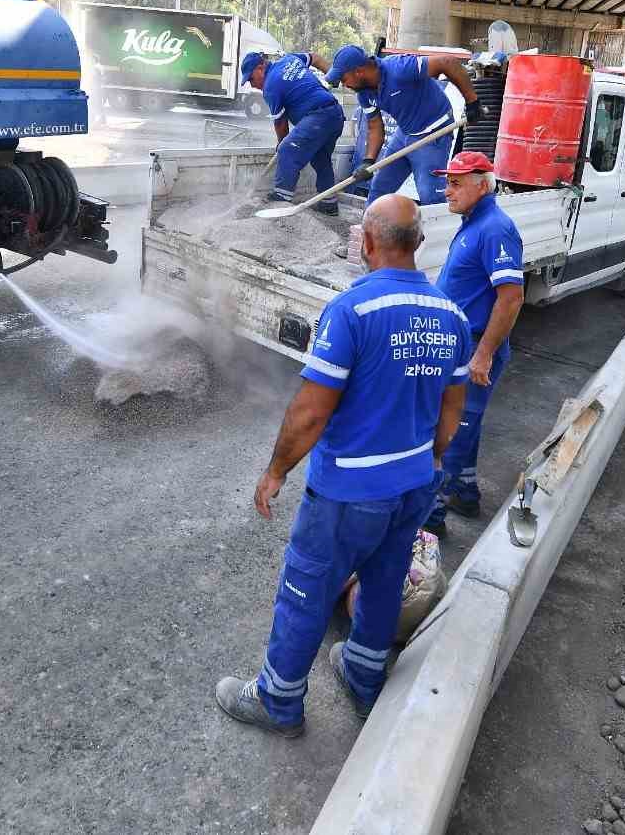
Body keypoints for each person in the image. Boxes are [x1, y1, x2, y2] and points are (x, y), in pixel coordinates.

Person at [216, 195, 470, 736]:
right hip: (414, 484)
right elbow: (452, 413)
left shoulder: (352, 311)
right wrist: (431, 463)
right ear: (420, 245)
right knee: (382, 581)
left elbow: (310, 412)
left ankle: (278, 702)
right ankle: (362, 673)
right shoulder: (452, 315)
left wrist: (276, 470)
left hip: (349, 494)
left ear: (368, 244)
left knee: (306, 587)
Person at [423, 153, 524, 537]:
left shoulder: (495, 229)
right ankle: (464, 492)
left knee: (448, 430)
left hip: (474, 349)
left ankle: (430, 520)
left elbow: (511, 297)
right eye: (446, 181)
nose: (446, 190)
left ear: (482, 184)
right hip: (461, 346)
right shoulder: (474, 223)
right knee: (466, 425)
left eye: (455, 183)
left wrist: (483, 355)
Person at [324, 45, 483, 207]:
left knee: (430, 196)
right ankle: (369, 231)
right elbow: (375, 125)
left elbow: (447, 62)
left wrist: (472, 101)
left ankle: (438, 231)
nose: (344, 85)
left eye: (344, 79)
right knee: (379, 188)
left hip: (433, 133)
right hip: (404, 134)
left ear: (358, 72)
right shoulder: (364, 94)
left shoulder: (399, 68)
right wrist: (368, 161)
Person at [240, 50, 344, 214]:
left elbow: (281, 124)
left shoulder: (270, 87)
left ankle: (281, 201)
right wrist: (331, 74)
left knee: (287, 150)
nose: (252, 85)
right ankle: (329, 204)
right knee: (321, 159)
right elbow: (315, 57)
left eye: (251, 79)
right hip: (335, 114)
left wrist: (282, 147)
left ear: (260, 67)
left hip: (319, 117)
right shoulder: (289, 59)